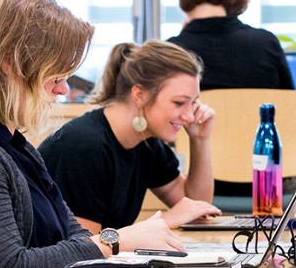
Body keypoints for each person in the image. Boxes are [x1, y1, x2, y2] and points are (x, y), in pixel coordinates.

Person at [0, 0, 184, 267]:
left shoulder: (10, 144)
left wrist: (110, 243)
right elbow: (10, 265)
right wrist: (116, 241)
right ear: (11, 64)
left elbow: (74, 235)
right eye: (55, 77)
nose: (63, 89)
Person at [39, 40, 223, 233]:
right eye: (179, 103)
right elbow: (84, 248)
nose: (190, 116)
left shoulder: (146, 142)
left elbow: (197, 208)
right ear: (140, 94)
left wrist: (200, 140)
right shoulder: (83, 146)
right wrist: (164, 221)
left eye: (193, 103)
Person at [167, 0, 294, 90]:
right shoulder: (266, 43)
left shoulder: (172, 52)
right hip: (255, 116)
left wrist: (181, 40)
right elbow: (291, 103)